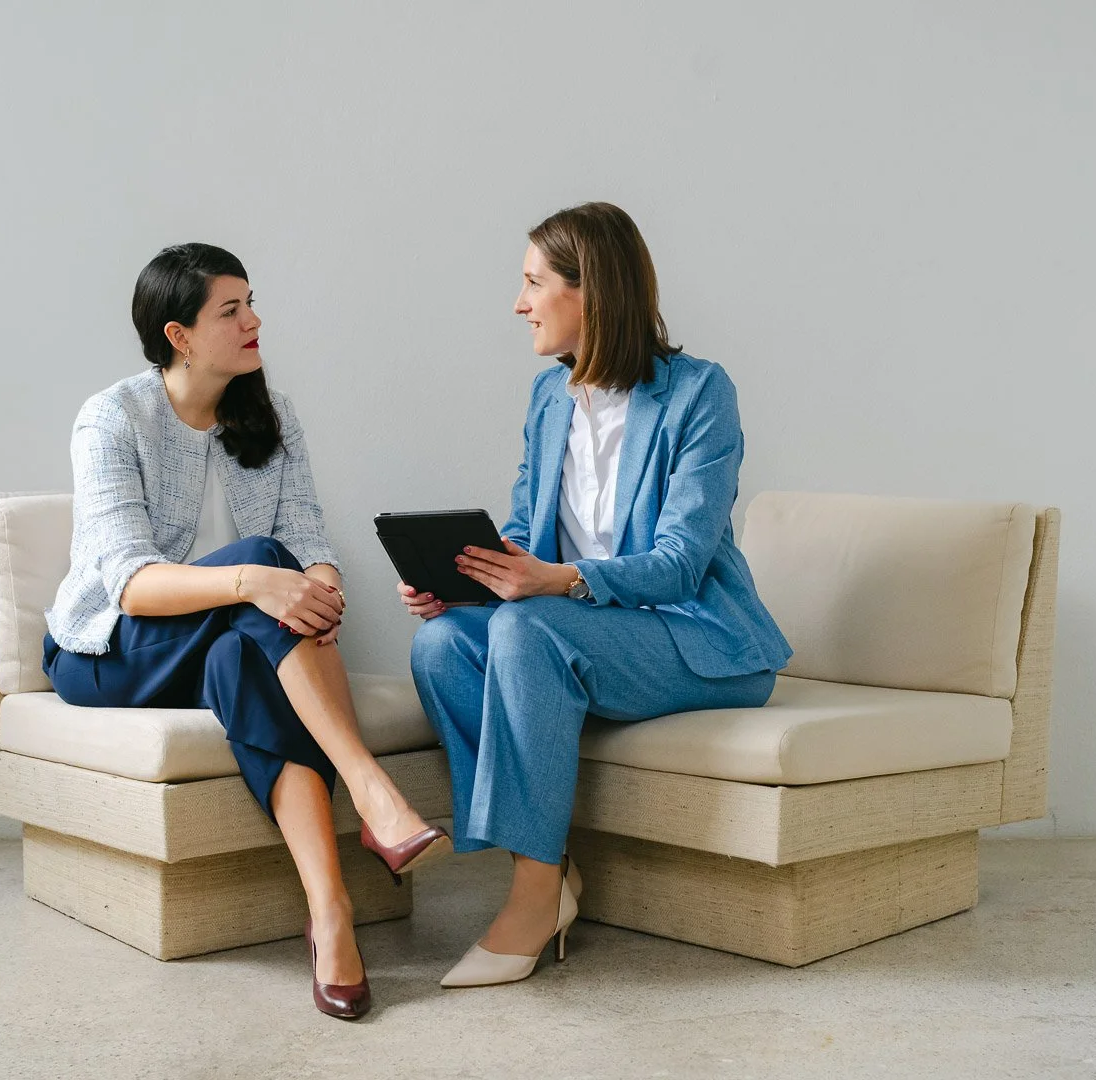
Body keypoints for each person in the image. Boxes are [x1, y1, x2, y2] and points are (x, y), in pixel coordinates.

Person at [44, 243, 449, 1020]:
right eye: (231, 310)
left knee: (250, 644)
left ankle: (330, 914)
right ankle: (372, 793)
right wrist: (258, 580)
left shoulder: (273, 415)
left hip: (223, 643)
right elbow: (130, 587)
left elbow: (311, 541)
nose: (255, 321)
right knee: (265, 575)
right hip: (111, 653)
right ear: (179, 336)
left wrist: (320, 594)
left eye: (251, 302)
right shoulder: (112, 419)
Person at [402, 203, 793, 988]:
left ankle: (532, 900)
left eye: (533, 283)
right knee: (441, 645)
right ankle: (548, 869)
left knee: (527, 633)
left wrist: (560, 582)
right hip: (577, 630)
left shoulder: (699, 395)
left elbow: (682, 562)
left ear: (591, 293)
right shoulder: (550, 398)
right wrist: (472, 582)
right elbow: (527, 533)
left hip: (692, 638)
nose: (519, 304)